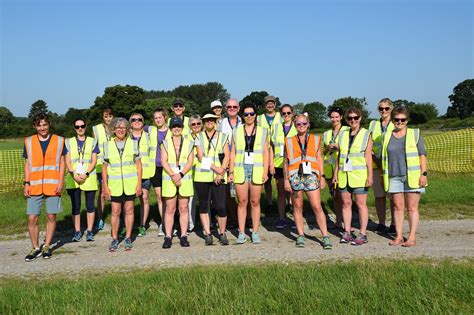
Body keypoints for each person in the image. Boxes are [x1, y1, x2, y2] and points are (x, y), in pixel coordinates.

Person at [283, 114, 332, 249]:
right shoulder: (288, 140)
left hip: (311, 176)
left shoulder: (316, 139)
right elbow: (286, 161)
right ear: (294, 125)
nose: (301, 126)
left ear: (308, 124)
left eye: (304, 123)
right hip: (295, 176)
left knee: (317, 206)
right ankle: (300, 235)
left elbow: (319, 158)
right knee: (297, 207)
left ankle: (325, 236)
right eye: (298, 124)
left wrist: (322, 177)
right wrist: (286, 180)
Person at [382, 106, 427, 247]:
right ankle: (399, 236)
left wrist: (423, 174)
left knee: (412, 208)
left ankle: (412, 237)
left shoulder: (415, 133)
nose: (399, 122)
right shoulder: (387, 135)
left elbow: (422, 155)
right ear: (393, 120)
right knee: (397, 207)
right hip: (394, 176)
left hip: (413, 176)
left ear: (407, 120)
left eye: (403, 119)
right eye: (396, 119)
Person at [24, 112, 66, 261]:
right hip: (34, 186)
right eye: (39, 125)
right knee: (32, 218)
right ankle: (35, 247)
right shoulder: (28, 141)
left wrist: (61, 182)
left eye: (45, 124)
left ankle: (47, 246)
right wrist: (26, 183)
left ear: (49, 125)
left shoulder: (60, 140)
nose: (42, 128)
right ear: (35, 126)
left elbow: (62, 162)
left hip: (53, 184)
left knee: (51, 215)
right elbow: (27, 164)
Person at [229, 104, 269, 244]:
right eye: (246, 114)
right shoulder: (236, 131)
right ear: (242, 116)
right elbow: (233, 152)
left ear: (255, 115)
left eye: (251, 114)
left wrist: (265, 171)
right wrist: (231, 171)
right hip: (241, 169)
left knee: (255, 202)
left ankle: (255, 232)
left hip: (257, 169)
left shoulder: (263, 131)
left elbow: (266, 152)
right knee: (242, 202)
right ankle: (241, 232)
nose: (249, 116)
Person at [333, 108, 373, 246]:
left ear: (360, 118)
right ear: (346, 119)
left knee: (361, 205)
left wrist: (370, 176)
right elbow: (340, 156)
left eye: (356, 118)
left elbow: (368, 156)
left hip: (360, 176)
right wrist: (335, 174)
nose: (353, 120)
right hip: (344, 175)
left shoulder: (366, 134)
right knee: (346, 204)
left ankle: (362, 234)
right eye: (350, 118)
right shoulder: (343, 134)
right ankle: (347, 232)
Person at [102, 118, 142, 252]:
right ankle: (114, 239)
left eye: (123, 127)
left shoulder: (133, 143)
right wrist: (105, 187)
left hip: (130, 184)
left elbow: (138, 165)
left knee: (129, 210)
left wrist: (139, 185)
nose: (120, 130)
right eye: (118, 127)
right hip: (114, 185)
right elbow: (104, 168)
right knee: (115, 212)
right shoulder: (107, 145)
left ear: (127, 130)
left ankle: (128, 237)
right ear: (113, 129)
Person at [194, 113, 230, 245]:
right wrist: (216, 168)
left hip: (219, 176)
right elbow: (200, 156)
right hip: (202, 176)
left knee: (221, 206)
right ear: (203, 122)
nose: (209, 122)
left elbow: (227, 155)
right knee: (204, 205)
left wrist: (221, 173)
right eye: (207, 120)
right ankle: (208, 233)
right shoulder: (198, 136)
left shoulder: (223, 136)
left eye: (212, 120)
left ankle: (222, 232)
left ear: (216, 122)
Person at [161, 117, 195, 248]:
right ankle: (168, 236)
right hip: (169, 178)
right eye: (174, 126)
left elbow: (190, 161)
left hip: (184, 178)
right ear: (170, 129)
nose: (176, 128)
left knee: (184, 208)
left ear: (182, 128)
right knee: (170, 209)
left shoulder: (189, 143)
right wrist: (173, 175)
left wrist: (180, 175)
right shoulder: (164, 143)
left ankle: (184, 236)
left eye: (179, 126)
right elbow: (164, 161)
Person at [65, 118, 99, 242]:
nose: (80, 128)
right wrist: (73, 173)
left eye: (82, 126)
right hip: (73, 177)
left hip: (88, 177)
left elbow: (94, 160)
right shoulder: (68, 142)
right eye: (77, 126)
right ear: (74, 128)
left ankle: (89, 231)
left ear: (85, 127)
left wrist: (86, 173)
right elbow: (67, 160)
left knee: (90, 205)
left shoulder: (93, 141)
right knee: (76, 206)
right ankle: (77, 232)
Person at [369, 98, 395, 234]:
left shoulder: (396, 122)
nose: (383, 111)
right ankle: (381, 223)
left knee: (393, 196)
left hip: (391, 166)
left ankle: (394, 224)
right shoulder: (373, 124)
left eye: (386, 108)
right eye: (381, 108)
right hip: (376, 165)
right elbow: (369, 142)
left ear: (391, 109)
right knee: (379, 196)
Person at [322, 106, 349, 229]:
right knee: (335, 196)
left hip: (342, 167)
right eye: (332, 117)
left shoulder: (347, 130)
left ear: (341, 117)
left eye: (336, 117)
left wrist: (339, 147)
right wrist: (328, 148)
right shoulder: (326, 133)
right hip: (329, 167)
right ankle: (338, 221)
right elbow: (323, 151)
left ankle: (347, 222)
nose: (334, 119)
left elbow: (350, 148)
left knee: (344, 196)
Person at [271, 104, 297, 229]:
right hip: (279, 164)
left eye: (288, 113)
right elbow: (270, 146)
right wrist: (271, 163)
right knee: (281, 192)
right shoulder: (275, 127)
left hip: (294, 165)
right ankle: (282, 219)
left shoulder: (298, 126)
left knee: (294, 192)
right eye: (284, 113)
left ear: (292, 113)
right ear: (280, 115)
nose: (286, 115)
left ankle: (295, 218)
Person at [258, 95, 283, 214]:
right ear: (264, 105)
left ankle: (286, 203)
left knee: (281, 181)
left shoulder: (281, 116)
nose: (270, 105)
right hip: (264, 154)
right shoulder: (259, 118)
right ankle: (269, 203)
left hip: (279, 155)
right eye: (268, 103)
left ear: (275, 104)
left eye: (272, 103)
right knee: (267, 181)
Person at [130, 113, 154, 237]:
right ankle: (127, 226)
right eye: (134, 120)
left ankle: (142, 225)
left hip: (145, 173)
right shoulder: (126, 137)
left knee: (144, 199)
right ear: (130, 123)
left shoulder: (149, 136)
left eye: (139, 119)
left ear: (143, 122)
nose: (137, 121)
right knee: (129, 202)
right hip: (130, 175)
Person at [146, 107, 169, 236]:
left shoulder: (172, 130)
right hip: (155, 167)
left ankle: (171, 223)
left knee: (169, 198)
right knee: (160, 198)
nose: (158, 120)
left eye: (160, 117)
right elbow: (135, 129)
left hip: (168, 168)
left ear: (165, 117)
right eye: (155, 118)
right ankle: (163, 225)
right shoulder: (150, 130)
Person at [220, 98, 242, 229]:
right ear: (226, 109)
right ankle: (233, 218)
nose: (232, 109)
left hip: (242, 159)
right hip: (227, 160)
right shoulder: (221, 123)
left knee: (244, 192)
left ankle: (247, 218)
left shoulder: (245, 120)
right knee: (229, 193)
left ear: (238, 108)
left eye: (234, 107)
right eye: (229, 107)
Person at [92, 107, 114, 230]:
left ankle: (118, 217)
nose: (108, 119)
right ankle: (100, 218)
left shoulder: (117, 127)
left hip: (115, 164)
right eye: (106, 116)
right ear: (102, 117)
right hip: (101, 164)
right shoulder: (96, 129)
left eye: (110, 116)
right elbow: (94, 147)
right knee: (101, 192)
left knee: (116, 192)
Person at [187, 114, 203, 232]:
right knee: (191, 200)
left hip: (204, 171)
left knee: (204, 200)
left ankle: (207, 224)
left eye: (198, 123)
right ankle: (190, 224)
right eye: (193, 124)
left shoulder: (205, 136)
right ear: (189, 126)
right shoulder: (186, 138)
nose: (196, 126)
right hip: (190, 172)